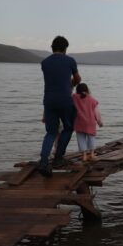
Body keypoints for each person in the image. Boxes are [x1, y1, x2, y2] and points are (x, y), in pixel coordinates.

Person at [38, 36, 81, 177]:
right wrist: (72, 84)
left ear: (52, 47)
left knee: (51, 132)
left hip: (49, 100)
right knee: (68, 128)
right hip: (65, 100)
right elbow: (78, 79)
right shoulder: (70, 61)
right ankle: (58, 158)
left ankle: (44, 162)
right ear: (65, 48)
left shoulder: (44, 63)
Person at [72, 83, 103, 162]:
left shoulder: (74, 98)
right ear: (87, 90)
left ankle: (84, 156)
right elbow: (97, 113)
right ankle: (92, 154)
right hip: (90, 122)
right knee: (91, 138)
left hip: (79, 122)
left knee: (81, 138)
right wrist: (100, 122)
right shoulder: (92, 99)